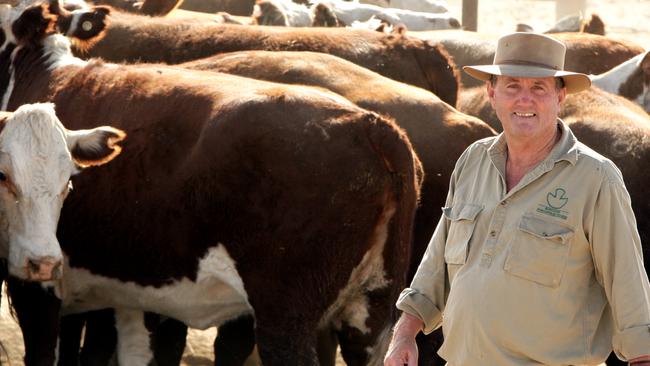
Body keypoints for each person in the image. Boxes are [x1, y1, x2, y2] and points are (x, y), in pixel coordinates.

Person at [384, 32, 650, 366]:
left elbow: (629, 289)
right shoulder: (472, 162)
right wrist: (404, 333)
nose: (524, 100)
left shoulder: (596, 179)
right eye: (512, 86)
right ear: (491, 93)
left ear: (560, 96)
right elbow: (436, 263)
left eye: (539, 87)